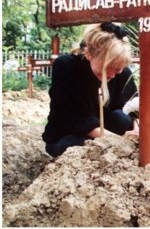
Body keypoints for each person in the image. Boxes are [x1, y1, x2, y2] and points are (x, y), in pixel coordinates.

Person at [42, 22, 138, 158]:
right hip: (71, 133)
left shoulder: (122, 73)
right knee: (77, 147)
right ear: (89, 54)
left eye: (118, 68)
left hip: (110, 131)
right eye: (110, 66)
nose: (114, 73)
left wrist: (136, 129)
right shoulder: (66, 67)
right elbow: (79, 120)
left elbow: (130, 108)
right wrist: (119, 141)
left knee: (121, 118)